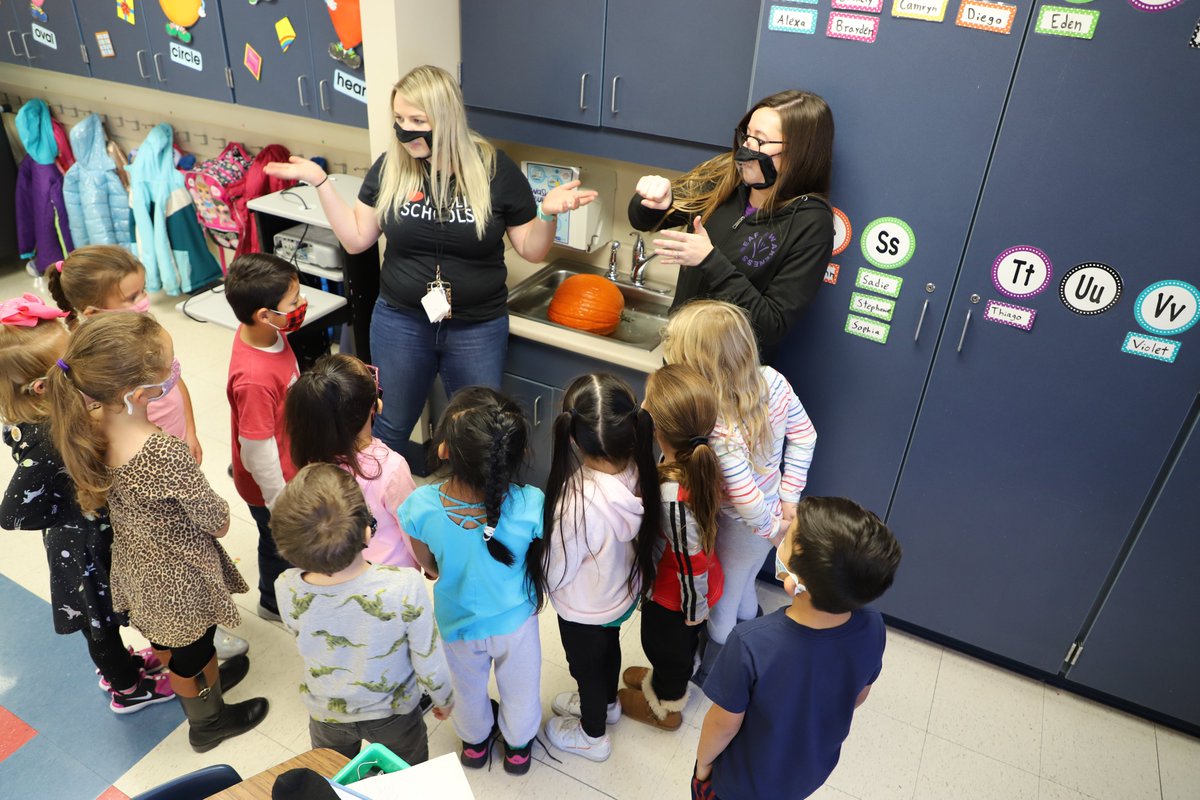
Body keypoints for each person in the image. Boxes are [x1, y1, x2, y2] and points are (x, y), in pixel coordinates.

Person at [264, 64, 597, 454]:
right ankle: (375, 511)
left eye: (418, 120)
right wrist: (321, 183)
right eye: (399, 119)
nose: (405, 130)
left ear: (447, 119)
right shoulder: (391, 168)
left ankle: (473, 509)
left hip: (476, 327)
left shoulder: (494, 171)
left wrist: (547, 214)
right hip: (400, 321)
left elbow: (532, 249)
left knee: (479, 434)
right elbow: (356, 240)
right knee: (387, 426)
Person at [46, 313, 269, 752]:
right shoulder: (161, 451)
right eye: (167, 367)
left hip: (136, 567)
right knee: (192, 652)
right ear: (136, 394)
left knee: (171, 646)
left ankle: (207, 685)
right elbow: (218, 521)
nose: (173, 372)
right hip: (178, 578)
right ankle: (209, 722)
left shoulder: (86, 429)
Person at [47, 245, 249, 661]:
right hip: (172, 549)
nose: (144, 302)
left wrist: (189, 430)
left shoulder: (117, 378)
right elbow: (215, 520)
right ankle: (195, 645)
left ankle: (186, 643)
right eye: (131, 296)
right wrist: (179, 462)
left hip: (158, 472)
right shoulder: (152, 445)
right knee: (189, 643)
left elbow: (176, 383)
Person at [0, 293, 171, 714]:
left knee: (104, 619)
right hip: (81, 546)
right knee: (100, 625)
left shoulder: (44, 420)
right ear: (44, 386)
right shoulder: (46, 438)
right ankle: (126, 688)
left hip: (88, 535)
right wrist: (70, 508)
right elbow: (12, 512)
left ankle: (123, 670)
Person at [691, 497, 901, 800]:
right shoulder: (873, 627)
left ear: (794, 582)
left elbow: (722, 725)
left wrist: (703, 767)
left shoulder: (750, 643)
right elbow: (858, 695)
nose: (784, 532)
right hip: (808, 773)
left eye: (788, 538)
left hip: (742, 785)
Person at [662, 300, 817, 682]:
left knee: (723, 602)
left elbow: (743, 495)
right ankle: (754, 639)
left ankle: (719, 671)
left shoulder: (716, 418)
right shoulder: (775, 381)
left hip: (742, 525)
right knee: (746, 582)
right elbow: (805, 435)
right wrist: (788, 501)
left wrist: (772, 528)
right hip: (770, 518)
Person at [398, 387, 544, 775]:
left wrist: (435, 568)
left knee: (465, 688)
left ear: (444, 450)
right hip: (515, 622)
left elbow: (426, 562)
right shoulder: (531, 504)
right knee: (521, 687)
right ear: (518, 455)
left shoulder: (420, 505)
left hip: (456, 622)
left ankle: (475, 745)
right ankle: (517, 749)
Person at [271, 463, 454, 764]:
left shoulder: (286, 586)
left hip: (326, 712)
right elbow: (428, 656)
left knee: (335, 777)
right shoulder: (403, 586)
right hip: (393, 713)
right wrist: (443, 698)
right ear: (367, 531)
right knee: (407, 775)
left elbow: (300, 632)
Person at [629, 90, 834, 358]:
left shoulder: (810, 223)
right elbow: (643, 220)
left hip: (729, 381)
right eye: (747, 134)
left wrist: (710, 260)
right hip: (677, 357)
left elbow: (772, 326)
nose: (746, 147)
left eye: (760, 140)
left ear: (798, 153)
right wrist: (651, 200)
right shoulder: (724, 175)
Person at [536, 374, 661, 762]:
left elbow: (559, 566)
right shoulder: (640, 469)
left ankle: (593, 736)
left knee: (586, 669)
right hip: (619, 597)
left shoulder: (577, 499)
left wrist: (542, 585)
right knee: (608, 651)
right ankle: (609, 704)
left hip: (584, 608)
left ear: (573, 438)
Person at [619, 364, 725, 731]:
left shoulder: (673, 497)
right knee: (671, 647)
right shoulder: (696, 455)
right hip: (686, 584)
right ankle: (663, 675)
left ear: (658, 428)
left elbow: (689, 559)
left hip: (677, 596)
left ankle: (664, 705)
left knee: (664, 645)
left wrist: (693, 610)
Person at [224, 253, 306, 621]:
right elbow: (257, 450)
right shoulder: (255, 377)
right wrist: (279, 503)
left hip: (288, 460)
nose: (302, 304)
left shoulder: (267, 334)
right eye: (293, 301)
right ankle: (272, 603)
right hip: (270, 485)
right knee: (277, 544)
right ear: (263, 314)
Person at [286, 353, 420, 570]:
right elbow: (414, 532)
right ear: (375, 406)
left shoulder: (309, 457)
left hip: (336, 572)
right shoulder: (391, 469)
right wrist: (430, 566)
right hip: (390, 580)